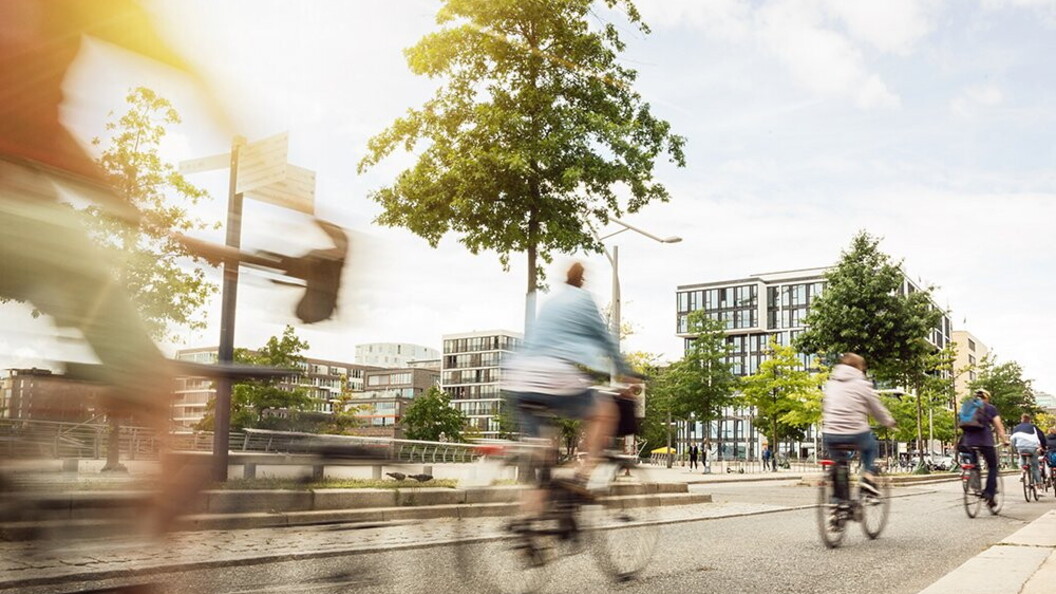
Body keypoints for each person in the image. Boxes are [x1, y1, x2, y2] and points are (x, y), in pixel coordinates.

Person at [503, 262, 641, 498]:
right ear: (582, 280)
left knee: (543, 456)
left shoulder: (551, 302)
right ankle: (581, 475)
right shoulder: (583, 301)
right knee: (605, 412)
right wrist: (624, 372)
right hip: (553, 373)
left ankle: (528, 522)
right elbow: (605, 340)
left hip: (519, 377)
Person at [821, 353, 896, 497]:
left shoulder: (830, 384)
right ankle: (867, 478)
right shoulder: (862, 384)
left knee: (839, 464)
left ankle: (838, 505)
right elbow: (876, 409)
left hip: (830, 433)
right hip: (856, 433)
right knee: (871, 447)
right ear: (859, 368)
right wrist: (888, 421)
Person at [960, 389, 1009, 511]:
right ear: (986, 397)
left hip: (968, 441)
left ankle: (975, 488)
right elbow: (998, 426)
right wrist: (1004, 440)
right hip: (985, 441)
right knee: (992, 467)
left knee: (974, 466)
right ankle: (989, 493)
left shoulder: (967, 406)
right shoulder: (990, 408)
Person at [1010, 414, 1045, 489]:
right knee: (1035, 467)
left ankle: (1023, 470)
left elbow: (1012, 440)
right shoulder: (1033, 427)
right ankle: (1039, 486)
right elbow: (1041, 437)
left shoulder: (1016, 428)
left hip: (1021, 447)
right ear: (1029, 420)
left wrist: (1015, 449)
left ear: (1021, 419)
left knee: (1021, 456)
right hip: (1032, 448)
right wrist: (1043, 447)